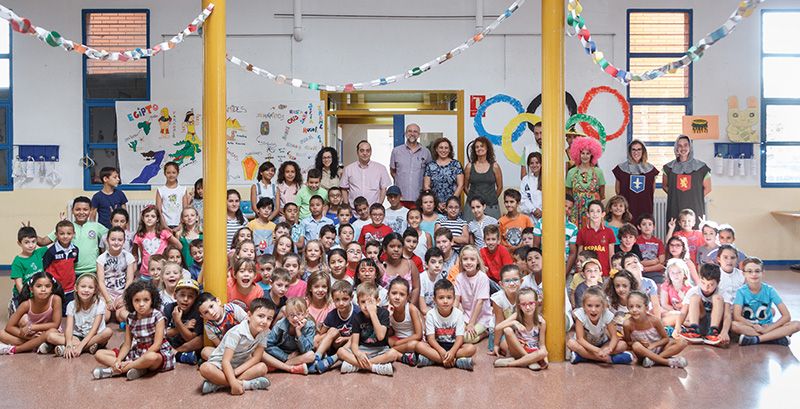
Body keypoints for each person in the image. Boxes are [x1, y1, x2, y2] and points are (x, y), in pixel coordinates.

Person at [92, 280, 175, 379]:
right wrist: (118, 360)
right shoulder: (130, 318)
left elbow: (157, 344)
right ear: (131, 301)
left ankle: (114, 370)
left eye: (146, 300)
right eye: (137, 300)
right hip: (137, 351)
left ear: (152, 300)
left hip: (155, 352)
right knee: (99, 354)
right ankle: (139, 368)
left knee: (150, 357)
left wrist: (141, 358)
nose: (141, 304)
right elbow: (127, 344)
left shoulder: (158, 316)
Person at [198, 297, 274, 395]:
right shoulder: (236, 332)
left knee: (262, 368)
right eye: (260, 316)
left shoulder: (264, 331)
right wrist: (233, 383)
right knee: (205, 368)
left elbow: (257, 358)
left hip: (239, 364)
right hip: (221, 364)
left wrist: (235, 373)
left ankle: (219, 384)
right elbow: (225, 361)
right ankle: (246, 384)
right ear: (249, 315)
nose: (264, 321)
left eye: (269, 318)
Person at [37, 196, 109, 279]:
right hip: (71, 272)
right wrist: (30, 233)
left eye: (85, 209)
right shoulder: (66, 228)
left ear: (90, 211)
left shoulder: (96, 226)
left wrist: (117, 221)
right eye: (78, 209)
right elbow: (42, 242)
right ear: (72, 211)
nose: (81, 212)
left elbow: (114, 235)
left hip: (93, 271)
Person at [734, 257, 800, 346]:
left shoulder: (770, 290)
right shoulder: (741, 291)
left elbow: (786, 316)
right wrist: (753, 326)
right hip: (750, 326)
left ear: (763, 273)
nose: (754, 274)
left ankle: (755, 339)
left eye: (757, 271)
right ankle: (775, 338)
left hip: (768, 326)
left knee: (797, 325)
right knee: (734, 325)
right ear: (743, 274)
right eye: (749, 271)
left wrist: (766, 329)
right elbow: (737, 316)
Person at [337, 282, 398, 376]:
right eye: (363, 302)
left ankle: (357, 366)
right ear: (358, 302)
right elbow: (354, 344)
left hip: (380, 350)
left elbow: (381, 336)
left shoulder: (384, 313)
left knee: (393, 354)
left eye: (370, 302)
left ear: (378, 301)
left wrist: (373, 313)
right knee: (340, 351)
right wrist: (358, 354)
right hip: (363, 350)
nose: (366, 305)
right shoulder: (357, 317)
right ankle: (375, 368)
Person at [415, 279, 477, 370]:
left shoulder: (458, 314)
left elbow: (460, 338)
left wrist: (452, 352)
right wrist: (441, 351)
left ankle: (433, 360)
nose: (445, 301)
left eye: (449, 297)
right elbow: (431, 339)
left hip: (453, 346)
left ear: (454, 299)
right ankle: (456, 362)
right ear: (434, 300)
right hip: (436, 346)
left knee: (471, 348)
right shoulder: (431, 314)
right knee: (419, 346)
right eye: (441, 298)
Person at [47, 273, 113, 358]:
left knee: (108, 332)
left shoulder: (100, 304)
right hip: (77, 337)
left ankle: (77, 348)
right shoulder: (71, 305)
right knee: (50, 336)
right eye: (83, 286)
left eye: (90, 287)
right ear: (76, 288)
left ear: (95, 290)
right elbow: (69, 328)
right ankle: (88, 347)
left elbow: (94, 330)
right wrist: (69, 344)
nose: (86, 290)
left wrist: (80, 347)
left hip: (94, 336)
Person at [0, 272, 64, 355]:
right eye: (39, 286)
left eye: (47, 286)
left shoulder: (55, 299)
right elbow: (9, 327)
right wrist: (28, 336)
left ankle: (16, 349)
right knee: (2, 334)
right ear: (31, 289)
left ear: (52, 288)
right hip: (32, 335)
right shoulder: (26, 304)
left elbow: (55, 324)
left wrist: (32, 327)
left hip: (50, 332)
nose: (43, 289)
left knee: (51, 332)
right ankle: (38, 345)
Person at [567, 287, 632, 365]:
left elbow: (614, 337)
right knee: (571, 343)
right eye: (589, 306)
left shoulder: (606, 314)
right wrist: (598, 351)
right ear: (584, 306)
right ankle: (609, 359)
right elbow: (580, 339)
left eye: (597, 306)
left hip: (602, 345)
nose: (593, 310)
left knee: (623, 345)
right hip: (586, 346)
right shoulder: (580, 315)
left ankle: (583, 357)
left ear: (603, 306)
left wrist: (609, 349)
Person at [623, 291, 688, 368]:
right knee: (636, 345)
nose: (634, 310)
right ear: (627, 308)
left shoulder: (655, 320)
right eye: (631, 306)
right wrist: (639, 342)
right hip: (644, 353)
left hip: (660, 349)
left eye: (638, 306)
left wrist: (653, 345)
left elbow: (665, 339)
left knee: (682, 342)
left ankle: (654, 360)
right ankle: (667, 362)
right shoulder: (627, 324)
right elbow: (629, 342)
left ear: (646, 308)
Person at [493, 288, 548, 370]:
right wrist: (514, 322)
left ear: (536, 303)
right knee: (507, 330)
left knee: (543, 352)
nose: (528, 307)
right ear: (519, 306)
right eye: (523, 304)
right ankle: (529, 360)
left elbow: (542, 345)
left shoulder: (541, 322)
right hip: (518, 349)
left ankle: (511, 363)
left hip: (533, 350)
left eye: (531, 303)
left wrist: (545, 358)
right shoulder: (516, 316)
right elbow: (497, 328)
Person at [662, 135, 711, 227]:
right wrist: (676, 195)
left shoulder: (701, 167)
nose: (683, 148)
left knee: (695, 232)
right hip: (675, 206)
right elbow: (665, 186)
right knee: (675, 233)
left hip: (695, 206)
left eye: (685, 145)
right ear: (676, 148)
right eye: (679, 145)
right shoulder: (668, 168)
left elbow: (708, 188)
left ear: (690, 147)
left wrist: (694, 196)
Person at [677, 263, 728, 346]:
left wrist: (725, 332)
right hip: (700, 321)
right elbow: (683, 312)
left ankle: (712, 332)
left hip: (717, 324)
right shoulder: (693, 291)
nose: (706, 288)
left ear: (718, 282)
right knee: (694, 297)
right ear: (699, 279)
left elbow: (727, 315)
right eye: (703, 283)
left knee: (717, 298)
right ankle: (694, 330)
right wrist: (677, 327)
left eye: (710, 285)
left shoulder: (723, 292)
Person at [264, 297, 316, 374]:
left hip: (297, 355)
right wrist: (285, 356)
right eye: (291, 315)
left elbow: (306, 349)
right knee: (262, 352)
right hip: (279, 354)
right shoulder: (280, 324)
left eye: (299, 314)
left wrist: (298, 332)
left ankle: (281, 366)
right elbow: (268, 344)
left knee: (311, 355)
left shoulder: (310, 325)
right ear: (287, 316)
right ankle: (289, 365)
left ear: (306, 313)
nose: (295, 318)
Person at [454, 245, 492, 344]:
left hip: (482, 317)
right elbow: (456, 300)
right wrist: (453, 319)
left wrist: (471, 324)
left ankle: (485, 333)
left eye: (472, 259)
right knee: (455, 335)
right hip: (466, 314)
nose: (469, 262)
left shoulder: (482, 277)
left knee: (466, 338)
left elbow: (480, 302)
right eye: (465, 259)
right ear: (461, 262)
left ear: (477, 261)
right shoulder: (459, 277)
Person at [613, 140, 659, 223]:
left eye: (639, 149)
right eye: (633, 149)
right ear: (629, 151)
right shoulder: (621, 169)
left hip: (645, 207)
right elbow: (617, 190)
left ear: (643, 151)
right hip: (627, 208)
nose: (636, 152)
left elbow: (652, 190)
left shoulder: (651, 169)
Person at [96, 227, 135, 324]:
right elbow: (100, 281)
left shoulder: (128, 257)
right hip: (106, 293)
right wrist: (108, 300)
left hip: (122, 292)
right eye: (113, 239)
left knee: (120, 316)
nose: (116, 242)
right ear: (107, 240)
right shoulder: (101, 258)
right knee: (105, 316)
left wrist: (123, 297)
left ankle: (135, 323)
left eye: (120, 240)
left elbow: (130, 279)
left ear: (124, 241)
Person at [566, 137, 605, 228]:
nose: (585, 156)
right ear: (577, 154)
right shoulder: (571, 172)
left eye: (588, 153)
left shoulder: (598, 172)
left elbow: (602, 194)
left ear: (592, 155)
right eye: (582, 153)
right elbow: (568, 192)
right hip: (576, 209)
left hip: (593, 209)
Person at [390, 123, 431, 207]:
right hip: (400, 198)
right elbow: (393, 171)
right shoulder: (396, 151)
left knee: (417, 219)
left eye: (415, 131)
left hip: (419, 198)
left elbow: (429, 174)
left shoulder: (426, 152)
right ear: (405, 133)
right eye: (409, 131)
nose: (412, 133)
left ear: (419, 135)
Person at [164, 278, 203, 365]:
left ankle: (175, 354)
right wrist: (183, 327)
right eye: (182, 295)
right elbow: (162, 333)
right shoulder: (169, 308)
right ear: (175, 295)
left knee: (200, 340)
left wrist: (178, 321)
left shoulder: (197, 312)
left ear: (195, 299)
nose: (185, 299)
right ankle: (179, 356)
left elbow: (190, 338)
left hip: (186, 346)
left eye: (190, 296)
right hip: (169, 344)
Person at [340, 140, 391, 207]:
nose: (365, 153)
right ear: (357, 152)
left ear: (371, 152)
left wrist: (379, 205)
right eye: (362, 150)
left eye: (368, 151)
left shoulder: (380, 168)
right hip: (354, 211)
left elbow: (383, 189)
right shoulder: (348, 169)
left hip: (373, 211)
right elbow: (344, 188)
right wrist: (346, 206)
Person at [464, 137, 503, 220]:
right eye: (477, 147)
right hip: (472, 207)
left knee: (492, 231)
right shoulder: (469, 166)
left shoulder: (495, 166)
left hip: (491, 206)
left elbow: (500, 187)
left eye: (482, 146)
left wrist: (491, 198)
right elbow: (465, 187)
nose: (479, 149)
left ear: (487, 148)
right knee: (470, 231)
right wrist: (473, 198)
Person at [386, 277, 423, 366]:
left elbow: (418, 335)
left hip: (411, 340)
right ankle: (403, 356)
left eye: (402, 294)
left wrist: (398, 343)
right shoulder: (387, 309)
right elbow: (388, 332)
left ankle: (392, 352)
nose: (397, 297)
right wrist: (387, 317)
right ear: (388, 294)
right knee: (385, 339)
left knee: (413, 345)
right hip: (397, 339)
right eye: (394, 293)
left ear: (407, 297)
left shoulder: (411, 309)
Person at [43, 220, 79, 311]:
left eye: (69, 233)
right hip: (55, 287)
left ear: (73, 234)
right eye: (62, 234)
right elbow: (44, 268)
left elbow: (73, 265)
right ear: (56, 234)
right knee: (55, 310)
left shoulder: (75, 250)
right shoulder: (51, 251)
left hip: (70, 287)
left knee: (69, 311)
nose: (65, 236)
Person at [11, 226, 48, 312]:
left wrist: (62, 222)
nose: (31, 245)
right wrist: (28, 297)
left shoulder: (39, 253)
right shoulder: (17, 262)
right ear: (19, 243)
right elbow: (19, 285)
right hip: (23, 293)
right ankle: (13, 304)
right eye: (26, 242)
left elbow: (56, 244)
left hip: (38, 291)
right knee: (24, 321)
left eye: (33, 242)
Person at [424, 137, 464, 212]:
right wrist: (436, 202)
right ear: (436, 149)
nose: (443, 150)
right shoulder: (430, 165)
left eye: (446, 148)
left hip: (453, 207)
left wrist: (450, 203)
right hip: (435, 205)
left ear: (449, 150)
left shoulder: (456, 164)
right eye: (441, 147)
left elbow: (461, 185)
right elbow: (426, 186)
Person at [576, 200, 616, 276]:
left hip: (604, 272)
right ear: (587, 214)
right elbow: (579, 254)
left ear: (603, 214)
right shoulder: (582, 232)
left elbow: (611, 254)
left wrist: (612, 272)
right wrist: (579, 271)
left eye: (598, 211)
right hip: (587, 273)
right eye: (592, 211)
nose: (595, 214)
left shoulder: (609, 232)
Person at [155, 162, 190, 229]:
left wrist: (181, 225)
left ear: (177, 173)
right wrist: (164, 226)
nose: (171, 175)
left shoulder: (183, 189)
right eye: (168, 172)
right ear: (165, 173)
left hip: (180, 224)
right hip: (164, 225)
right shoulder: (160, 190)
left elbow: (185, 209)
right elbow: (158, 210)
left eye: (174, 172)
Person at [498, 189, 533, 254]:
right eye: (506, 202)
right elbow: (499, 242)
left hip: (523, 256)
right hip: (507, 256)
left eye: (512, 202)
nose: (508, 204)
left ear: (518, 203)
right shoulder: (501, 221)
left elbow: (532, 238)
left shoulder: (526, 219)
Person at [519, 152, 542, 223]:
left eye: (537, 162)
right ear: (528, 165)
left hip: (545, 217)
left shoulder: (548, 179)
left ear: (541, 164)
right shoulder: (525, 179)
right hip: (530, 218)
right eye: (531, 163)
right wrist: (533, 210)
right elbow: (523, 198)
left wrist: (542, 210)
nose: (534, 165)